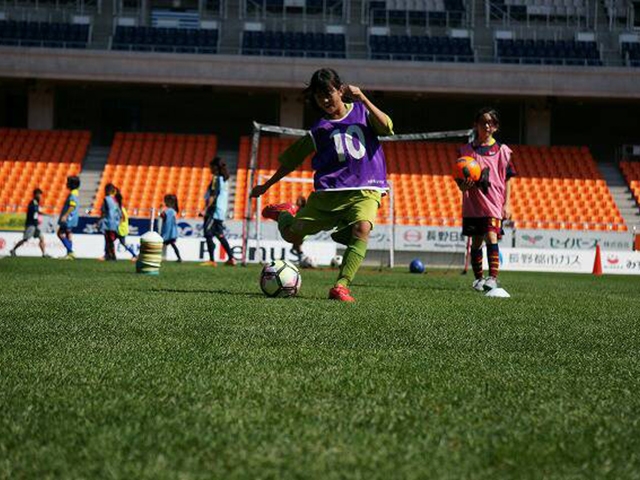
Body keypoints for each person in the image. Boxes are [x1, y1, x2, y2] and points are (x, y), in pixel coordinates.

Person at [250, 68, 393, 302]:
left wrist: (363, 98)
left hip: (366, 188)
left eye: (328, 93)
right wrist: (266, 185)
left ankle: (341, 286)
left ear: (340, 89)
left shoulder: (361, 111)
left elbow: (387, 127)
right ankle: (285, 214)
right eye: (319, 96)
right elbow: (291, 160)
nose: (325, 100)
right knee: (291, 236)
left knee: (363, 228)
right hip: (328, 194)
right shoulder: (319, 129)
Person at [456, 107, 516, 292]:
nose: (487, 126)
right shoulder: (466, 150)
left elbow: (509, 178)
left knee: (491, 236)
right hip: (472, 204)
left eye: (491, 123)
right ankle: (479, 279)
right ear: (476, 125)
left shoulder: (502, 150)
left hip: (493, 202)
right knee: (476, 241)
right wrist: (462, 186)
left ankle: (493, 277)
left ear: (496, 127)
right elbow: (459, 177)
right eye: (484, 122)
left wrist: (507, 203)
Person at [200, 157, 236, 267]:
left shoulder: (216, 178)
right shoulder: (224, 179)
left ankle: (212, 260)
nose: (209, 168)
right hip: (220, 210)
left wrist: (205, 209)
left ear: (215, 167)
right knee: (219, 234)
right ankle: (231, 258)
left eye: (210, 166)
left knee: (207, 233)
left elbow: (213, 195)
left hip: (213, 210)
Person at [10, 188, 49, 258]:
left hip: (35, 225)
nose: (40, 196)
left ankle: (44, 254)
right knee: (25, 239)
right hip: (31, 225)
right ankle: (13, 250)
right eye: (39, 194)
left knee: (41, 238)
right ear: (36, 194)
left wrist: (45, 214)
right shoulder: (32, 202)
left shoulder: (36, 203)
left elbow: (37, 212)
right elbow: (33, 212)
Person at [58, 175, 80, 260]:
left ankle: (70, 251)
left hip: (69, 217)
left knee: (60, 233)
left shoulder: (73, 194)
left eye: (68, 182)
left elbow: (72, 206)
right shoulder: (76, 192)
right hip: (73, 217)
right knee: (68, 234)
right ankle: (69, 254)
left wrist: (65, 215)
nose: (66, 184)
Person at [100, 183, 121, 261]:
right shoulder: (115, 200)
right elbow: (119, 212)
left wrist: (100, 220)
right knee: (111, 239)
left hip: (107, 222)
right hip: (115, 223)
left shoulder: (106, 199)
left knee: (108, 240)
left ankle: (110, 255)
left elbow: (103, 211)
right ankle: (111, 255)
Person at [115, 190, 137, 261]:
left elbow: (123, 217)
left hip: (121, 229)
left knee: (122, 243)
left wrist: (118, 223)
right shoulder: (121, 207)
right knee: (111, 241)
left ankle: (134, 255)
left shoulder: (119, 208)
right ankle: (108, 254)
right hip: (121, 228)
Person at [161, 194, 182, 262]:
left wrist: (162, 212)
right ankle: (179, 258)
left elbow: (164, 217)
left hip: (168, 232)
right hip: (171, 232)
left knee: (161, 244)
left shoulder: (169, 210)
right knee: (172, 245)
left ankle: (161, 257)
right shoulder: (173, 211)